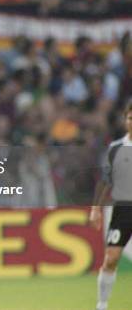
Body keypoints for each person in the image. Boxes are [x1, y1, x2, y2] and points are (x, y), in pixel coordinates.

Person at [89, 100, 132, 310]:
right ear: (125, 120)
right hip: (123, 209)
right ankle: (102, 304)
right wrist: (96, 208)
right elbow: (105, 180)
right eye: (130, 118)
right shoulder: (115, 148)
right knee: (111, 258)